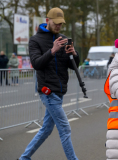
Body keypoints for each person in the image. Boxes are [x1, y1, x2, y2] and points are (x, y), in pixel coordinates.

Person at [19, 7, 80, 160]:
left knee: (46, 130)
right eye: (56, 23)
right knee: (65, 129)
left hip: (60, 91)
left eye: (61, 24)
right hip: (48, 91)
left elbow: (73, 66)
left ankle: (24, 158)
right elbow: (36, 64)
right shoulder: (35, 40)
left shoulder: (63, 39)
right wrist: (52, 51)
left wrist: (74, 54)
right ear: (47, 21)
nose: (58, 26)